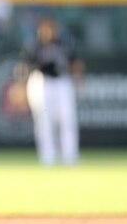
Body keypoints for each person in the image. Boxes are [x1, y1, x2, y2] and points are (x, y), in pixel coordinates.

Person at [24, 17, 84, 167]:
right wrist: (21, 86)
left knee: (67, 119)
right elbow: (24, 65)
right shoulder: (35, 45)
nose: (48, 31)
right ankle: (48, 157)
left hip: (62, 81)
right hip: (41, 81)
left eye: (51, 28)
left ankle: (70, 156)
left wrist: (79, 79)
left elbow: (75, 62)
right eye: (44, 28)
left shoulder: (65, 42)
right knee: (44, 121)